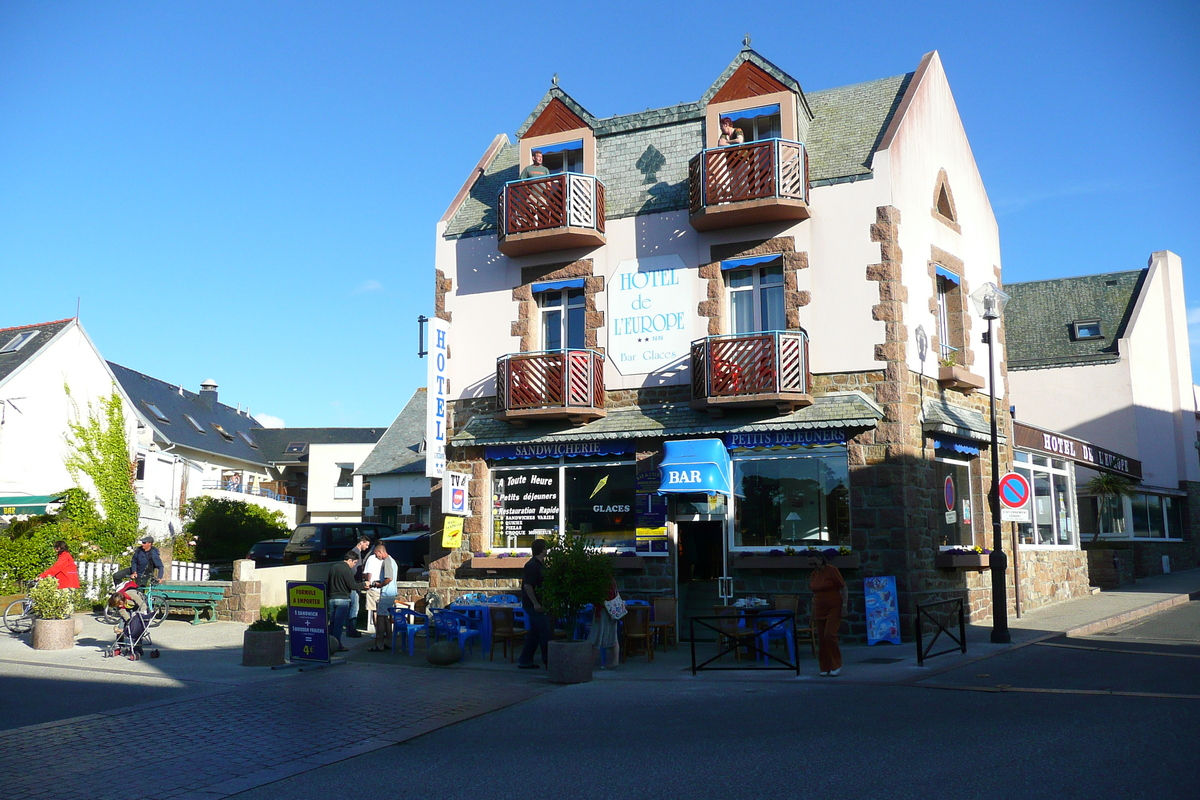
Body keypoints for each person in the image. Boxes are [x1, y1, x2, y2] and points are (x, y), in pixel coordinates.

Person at [809, 554, 848, 676]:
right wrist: (812, 613)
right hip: (819, 608)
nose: (814, 566)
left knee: (829, 635)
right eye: (811, 564)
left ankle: (836, 664)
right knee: (821, 638)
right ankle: (825, 667)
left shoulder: (832, 570)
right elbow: (814, 595)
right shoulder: (814, 574)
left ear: (821, 560)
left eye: (815, 563)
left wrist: (844, 606)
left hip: (834, 606)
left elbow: (844, 587)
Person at [517, 538, 551, 670]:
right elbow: (528, 585)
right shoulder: (532, 565)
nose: (547, 550)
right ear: (542, 549)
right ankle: (548, 660)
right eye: (546, 548)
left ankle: (525, 660)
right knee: (545, 630)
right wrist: (536, 603)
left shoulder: (539, 564)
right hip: (533, 605)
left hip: (536, 603)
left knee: (535, 632)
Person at [328, 551, 368, 651]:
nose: (354, 565)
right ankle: (337, 645)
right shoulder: (347, 570)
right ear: (349, 560)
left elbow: (328, 583)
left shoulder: (334, 567)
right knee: (339, 624)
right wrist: (364, 584)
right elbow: (352, 586)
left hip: (332, 598)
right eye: (354, 562)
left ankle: (328, 643)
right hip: (343, 599)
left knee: (332, 622)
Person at [363, 541, 399, 652]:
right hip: (391, 592)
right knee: (386, 619)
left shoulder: (387, 561)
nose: (376, 556)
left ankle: (379, 644)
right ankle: (389, 642)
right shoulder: (393, 561)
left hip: (386, 593)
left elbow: (389, 578)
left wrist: (380, 584)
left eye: (376, 554)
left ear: (380, 551)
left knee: (380, 618)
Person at [588, 577, 620, 668]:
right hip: (612, 611)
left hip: (603, 611)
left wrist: (597, 613)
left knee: (596, 637)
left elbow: (602, 600)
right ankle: (615, 661)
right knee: (613, 636)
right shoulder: (611, 579)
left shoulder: (602, 581)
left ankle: (590, 664)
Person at [346, 534, 374, 638]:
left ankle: (350, 628)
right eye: (366, 545)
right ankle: (352, 629)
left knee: (351, 607)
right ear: (361, 542)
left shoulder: (356, 553)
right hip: (355, 583)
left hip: (355, 583)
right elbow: (354, 571)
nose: (367, 547)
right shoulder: (355, 554)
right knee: (354, 607)